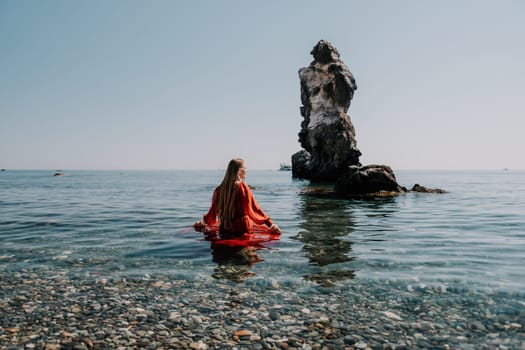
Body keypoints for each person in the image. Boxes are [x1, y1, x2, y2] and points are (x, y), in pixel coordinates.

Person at [194, 158, 281, 236]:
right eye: (245, 168)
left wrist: (202, 222)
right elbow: (255, 209)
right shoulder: (242, 187)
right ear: (239, 170)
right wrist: (271, 224)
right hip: (242, 229)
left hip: (225, 228)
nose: (246, 171)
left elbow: (212, 213)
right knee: (248, 254)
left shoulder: (218, 190)